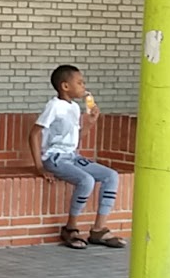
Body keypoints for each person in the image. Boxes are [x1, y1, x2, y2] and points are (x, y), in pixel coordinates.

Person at [31, 65, 125, 249]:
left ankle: (99, 229)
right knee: (86, 180)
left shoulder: (74, 107)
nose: (84, 86)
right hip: (54, 157)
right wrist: (39, 166)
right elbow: (34, 134)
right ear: (65, 86)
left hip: (72, 156)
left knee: (111, 175)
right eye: (80, 82)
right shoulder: (53, 106)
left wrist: (90, 123)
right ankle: (70, 227)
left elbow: (75, 139)